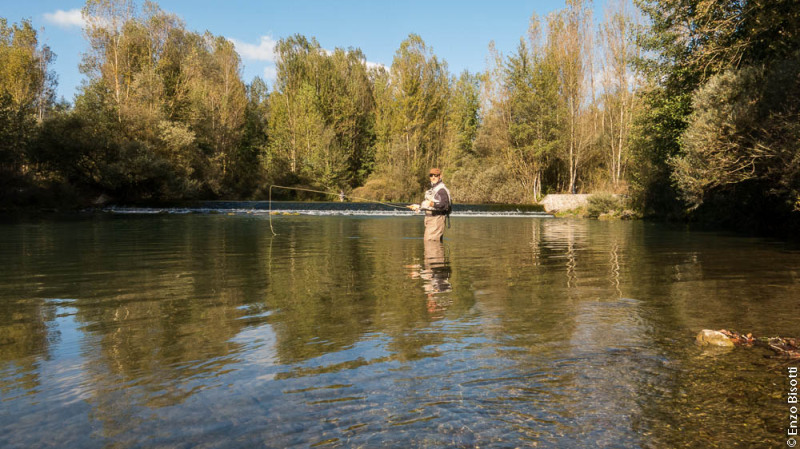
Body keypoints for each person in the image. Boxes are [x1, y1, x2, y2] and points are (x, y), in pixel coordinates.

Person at [410, 168, 451, 241]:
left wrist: (433, 204)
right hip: (431, 220)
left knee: (430, 244)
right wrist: (418, 207)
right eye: (431, 175)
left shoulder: (441, 189)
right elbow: (429, 204)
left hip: (436, 219)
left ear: (440, 176)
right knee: (431, 246)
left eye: (436, 175)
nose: (433, 177)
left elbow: (445, 205)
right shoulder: (434, 188)